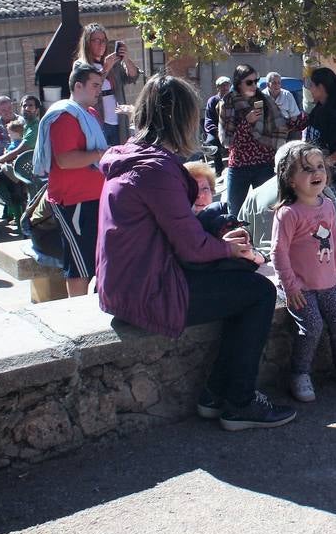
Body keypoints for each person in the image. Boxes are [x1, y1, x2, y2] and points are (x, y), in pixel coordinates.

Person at [96, 74, 295, 431]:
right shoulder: (156, 168)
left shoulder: (127, 157)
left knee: (240, 279)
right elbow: (190, 245)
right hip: (148, 293)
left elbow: (176, 230)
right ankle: (238, 401)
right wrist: (230, 249)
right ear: (182, 119)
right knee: (260, 293)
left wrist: (223, 243)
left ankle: (215, 395)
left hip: (125, 287)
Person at [270, 141, 336, 403]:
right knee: (312, 326)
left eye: (319, 166)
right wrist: (289, 286)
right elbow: (278, 252)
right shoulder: (288, 214)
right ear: (290, 180)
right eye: (306, 169)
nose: (316, 173)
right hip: (300, 287)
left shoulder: (327, 204)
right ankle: (300, 373)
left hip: (327, 282)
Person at [33, 63, 108, 298]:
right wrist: (99, 156)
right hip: (73, 200)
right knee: (79, 265)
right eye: (95, 86)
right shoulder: (65, 116)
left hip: (96, 197)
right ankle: (76, 317)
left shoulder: (90, 114)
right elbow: (65, 160)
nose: (99, 91)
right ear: (78, 85)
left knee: (97, 259)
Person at [219, 63, 305, 217]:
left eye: (256, 81)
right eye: (249, 82)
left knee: (269, 210)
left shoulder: (265, 100)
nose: (254, 85)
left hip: (264, 162)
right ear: (238, 82)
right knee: (235, 212)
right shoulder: (227, 103)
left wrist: (297, 122)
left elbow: (279, 127)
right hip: (239, 164)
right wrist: (247, 122)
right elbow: (227, 140)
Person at [74, 23, 141, 146]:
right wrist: (105, 68)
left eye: (104, 41)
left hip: (118, 121)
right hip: (97, 121)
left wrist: (125, 59)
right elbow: (92, 85)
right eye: (97, 40)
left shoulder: (113, 63)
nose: (102, 45)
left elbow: (133, 76)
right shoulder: (81, 65)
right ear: (87, 43)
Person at [303, 67, 336, 202]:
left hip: (331, 179)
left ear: (320, 87)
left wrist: (320, 166)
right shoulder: (318, 108)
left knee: (328, 219)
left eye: (312, 86)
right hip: (319, 177)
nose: (310, 90)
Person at [203, 76, 231, 174]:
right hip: (216, 130)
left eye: (227, 85)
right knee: (211, 142)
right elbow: (208, 119)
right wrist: (216, 131)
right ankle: (219, 169)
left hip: (231, 129)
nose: (225, 88)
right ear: (218, 88)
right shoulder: (212, 101)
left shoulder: (233, 100)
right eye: (223, 86)